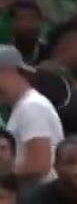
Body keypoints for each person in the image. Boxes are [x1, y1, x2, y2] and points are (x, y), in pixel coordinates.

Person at [0, 45, 63, 186]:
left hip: (41, 195)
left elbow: (38, 165)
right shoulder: (24, 107)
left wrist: (4, 177)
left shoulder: (32, 106)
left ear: (10, 72)